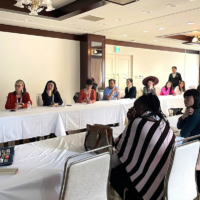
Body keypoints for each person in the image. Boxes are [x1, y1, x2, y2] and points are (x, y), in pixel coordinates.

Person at [110, 94, 175, 200]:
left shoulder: (137, 122)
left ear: (142, 107)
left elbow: (120, 147)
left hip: (152, 178)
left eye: (135, 106)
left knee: (114, 172)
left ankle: (134, 196)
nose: (132, 109)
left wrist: (131, 121)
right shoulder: (163, 121)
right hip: (168, 177)